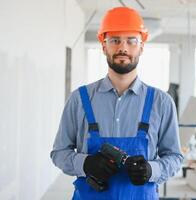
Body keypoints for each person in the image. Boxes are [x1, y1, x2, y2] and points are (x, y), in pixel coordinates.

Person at [50, 6, 183, 200]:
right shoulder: (79, 99)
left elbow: (175, 158)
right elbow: (59, 153)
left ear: (141, 47)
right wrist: (85, 164)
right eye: (115, 40)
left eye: (131, 40)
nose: (123, 48)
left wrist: (151, 169)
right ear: (104, 46)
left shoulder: (161, 103)